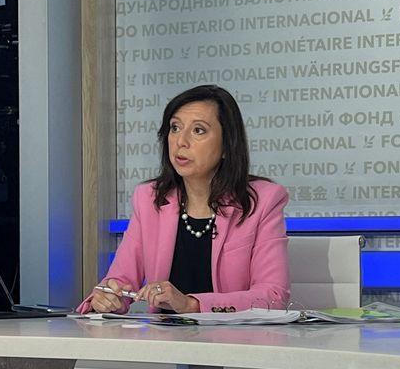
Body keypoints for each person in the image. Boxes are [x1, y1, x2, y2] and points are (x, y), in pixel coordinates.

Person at [77, 84, 289, 314]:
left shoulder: (262, 201)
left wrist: (191, 305)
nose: (181, 141)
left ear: (227, 145)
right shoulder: (150, 199)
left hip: (235, 343)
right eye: (175, 128)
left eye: (198, 130)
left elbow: (274, 296)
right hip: (166, 343)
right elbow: (119, 280)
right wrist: (107, 299)